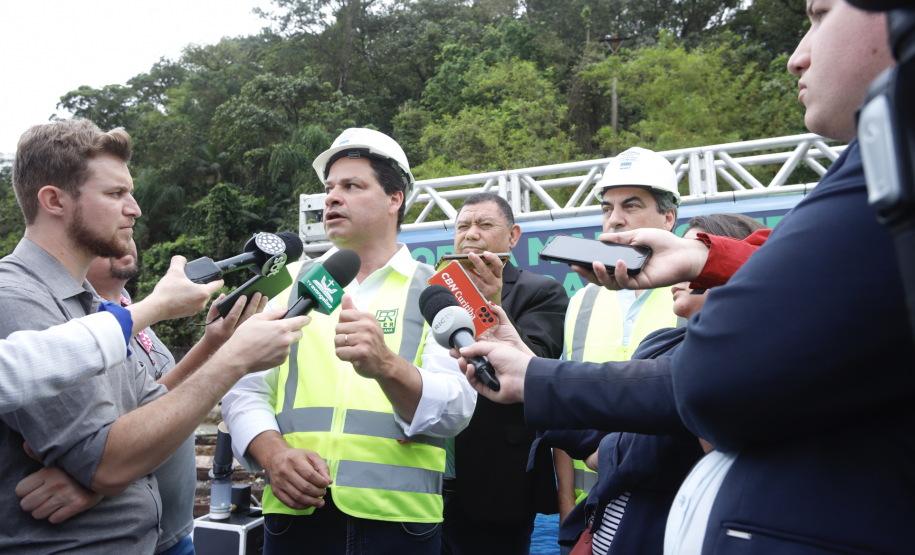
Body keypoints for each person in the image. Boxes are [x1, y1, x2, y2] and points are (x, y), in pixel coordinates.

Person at [455, 2, 915, 553]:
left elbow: (709, 380)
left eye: (819, 15)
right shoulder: (602, 296)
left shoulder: (883, 166)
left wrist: (540, 381)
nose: (797, 57)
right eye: (607, 208)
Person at [0, 118, 310, 554]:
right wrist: (232, 359)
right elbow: (107, 462)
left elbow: (152, 414)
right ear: (54, 200)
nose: (135, 209)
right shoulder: (15, 297)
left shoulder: (95, 303)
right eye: (115, 194)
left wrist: (218, 345)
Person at [221, 128, 476, 555]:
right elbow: (242, 389)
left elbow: (457, 410)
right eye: (329, 188)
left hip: (399, 525)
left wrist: (387, 366)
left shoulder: (441, 290)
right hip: (294, 518)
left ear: (395, 199)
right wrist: (273, 454)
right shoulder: (290, 286)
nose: (332, 198)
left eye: (352, 186)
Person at [14, 237, 266, 554]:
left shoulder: (133, 314)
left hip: (173, 533)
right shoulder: (67, 327)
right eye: (113, 200)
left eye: (130, 233)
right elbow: (114, 442)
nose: (127, 236)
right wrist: (96, 477)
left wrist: (212, 343)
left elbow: (155, 408)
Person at [538, 214, 764, 555]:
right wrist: (522, 380)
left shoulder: (749, 363)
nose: (677, 272)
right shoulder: (660, 343)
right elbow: (605, 434)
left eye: (695, 256)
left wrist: (535, 381)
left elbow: (626, 451)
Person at [553, 146, 682, 537]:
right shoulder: (580, 300)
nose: (615, 219)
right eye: (607, 208)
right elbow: (562, 406)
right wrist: (566, 510)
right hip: (593, 514)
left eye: (631, 206)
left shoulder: (690, 295)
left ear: (668, 218)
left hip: (671, 508)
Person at [441, 192, 568, 555]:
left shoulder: (541, 291)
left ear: (513, 236)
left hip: (497, 477)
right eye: (463, 226)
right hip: (426, 477)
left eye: (484, 224)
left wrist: (486, 303)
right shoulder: (433, 292)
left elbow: (536, 367)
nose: (471, 233)